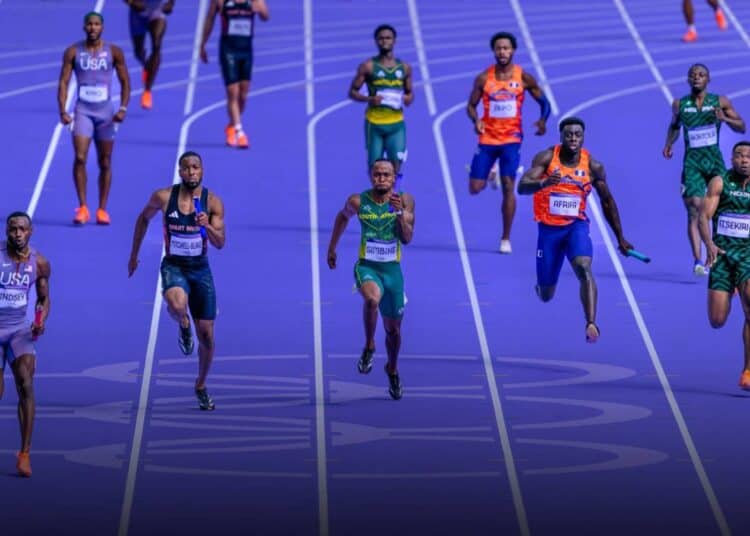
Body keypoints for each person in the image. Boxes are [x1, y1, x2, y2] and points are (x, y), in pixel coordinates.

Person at [518, 117, 633, 343]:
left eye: (577, 135)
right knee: (546, 295)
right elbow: (522, 187)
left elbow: (607, 201)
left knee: (584, 268)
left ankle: (591, 323)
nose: (573, 138)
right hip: (549, 232)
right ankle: (541, 287)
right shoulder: (546, 158)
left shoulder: (593, 167)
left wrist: (620, 238)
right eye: (569, 134)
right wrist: (543, 184)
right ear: (561, 136)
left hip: (575, 227)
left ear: (583, 137)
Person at [128, 151, 225, 410]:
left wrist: (207, 226)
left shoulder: (213, 202)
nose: (191, 172)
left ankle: (201, 385)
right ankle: (183, 322)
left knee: (207, 337)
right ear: (180, 172)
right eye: (187, 168)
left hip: (200, 269)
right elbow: (143, 218)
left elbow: (220, 243)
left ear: (202, 171)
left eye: (196, 167)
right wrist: (134, 255)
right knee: (178, 303)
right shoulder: (163, 197)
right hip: (174, 266)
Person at [327, 159, 415, 400]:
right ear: (370, 177)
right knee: (371, 300)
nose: (381, 178)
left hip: (392, 272)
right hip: (367, 266)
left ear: (394, 178)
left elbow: (407, 238)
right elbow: (342, 217)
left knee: (393, 331)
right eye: (377, 174)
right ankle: (369, 345)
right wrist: (332, 247)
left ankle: (392, 369)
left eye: (386, 175)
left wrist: (399, 214)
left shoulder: (405, 201)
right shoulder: (358, 201)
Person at [467, 31, 551, 254]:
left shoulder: (524, 78)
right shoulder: (484, 79)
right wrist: (476, 120)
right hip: (487, 139)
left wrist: (543, 121)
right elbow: (471, 106)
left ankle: (505, 238)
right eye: (499, 48)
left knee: (508, 187)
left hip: (511, 140)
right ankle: (491, 172)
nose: (502, 52)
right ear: (494, 51)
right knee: (475, 188)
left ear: (512, 50)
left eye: (506, 48)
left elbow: (545, 103)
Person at [663, 63, 745, 275]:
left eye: (701, 75)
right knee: (695, 209)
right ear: (688, 80)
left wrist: (724, 118)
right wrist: (669, 143)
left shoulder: (719, 102)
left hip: (715, 163)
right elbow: (674, 126)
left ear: (708, 79)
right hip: (693, 164)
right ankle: (698, 261)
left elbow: (742, 126)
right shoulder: (680, 104)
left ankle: (721, 251)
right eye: (693, 75)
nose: (697, 77)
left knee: (720, 209)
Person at [58, 11, 130, 226]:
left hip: (105, 112)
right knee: (80, 158)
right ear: (84, 27)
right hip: (83, 111)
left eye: (97, 24)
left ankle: (102, 209)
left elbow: (126, 82)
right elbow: (63, 82)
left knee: (105, 161)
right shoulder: (73, 52)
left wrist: (123, 108)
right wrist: (63, 110)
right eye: (89, 24)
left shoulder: (114, 52)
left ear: (102, 27)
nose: (93, 28)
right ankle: (82, 207)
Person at [0, 212, 51, 477]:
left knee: (26, 384)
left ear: (30, 232)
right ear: (6, 231)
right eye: (13, 229)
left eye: (22, 229)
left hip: (20, 331)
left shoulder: (39, 263)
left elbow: (43, 299)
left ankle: (24, 454)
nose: (17, 234)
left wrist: (40, 320)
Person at [698, 141, 750, 389]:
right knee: (717, 320)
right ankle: (732, 287)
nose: (744, 160)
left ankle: (748, 370)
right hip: (723, 255)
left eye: (748, 156)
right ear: (731, 159)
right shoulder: (720, 183)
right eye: (739, 155)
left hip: (747, 256)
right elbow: (703, 217)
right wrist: (709, 244)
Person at [199, 0, 270, 148]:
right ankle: (240, 132)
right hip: (228, 51)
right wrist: (202, 44)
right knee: (233, 92)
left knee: (243, 96)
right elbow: (209, 20)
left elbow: (266, 17)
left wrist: (261, 8)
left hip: (246, 51)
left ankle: (231, 125)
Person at [348, 24, 414, 174]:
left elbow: (410, 93)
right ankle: (376, 190)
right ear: (376, 41)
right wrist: (369, 99)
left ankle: (395, 190)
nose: (385, 41)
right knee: (375, 169)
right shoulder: (368, 67)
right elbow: (352, 92)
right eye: (381, 38)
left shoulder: (405, 68)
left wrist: (408, 98)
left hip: (396, 125)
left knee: (396, 166)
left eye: (388, 38)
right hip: (374, 124)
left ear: (394, 40)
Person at [124, 0, 176, 110]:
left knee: (156, 45)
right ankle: (147, 66)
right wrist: (131, 2)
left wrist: (171, 3)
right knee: (139, 53)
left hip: (157, 12)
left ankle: (147, 90)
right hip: (138, 13)